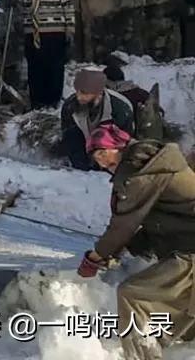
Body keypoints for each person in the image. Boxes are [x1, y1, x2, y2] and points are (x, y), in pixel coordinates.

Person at [78, 124, 195, 360]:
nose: (101, 163)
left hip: (190, 251)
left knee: (132, 294)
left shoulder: (141, 174)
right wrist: (126, 248)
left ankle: (141, 356)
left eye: (103, 152)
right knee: (182, 305)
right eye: (96, 157)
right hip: (186, 243)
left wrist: (95, 258)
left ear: (120, 147)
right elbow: (156, 221)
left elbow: (123, 224)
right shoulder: (152, 164)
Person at [9, 0, 76, 108]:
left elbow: (68, 5)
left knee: (55, 68)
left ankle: (53, 102)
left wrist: (70, 29)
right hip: (34, 33)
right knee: (36, 67)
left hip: (56, 32)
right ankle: (38, 102)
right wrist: (15, 3)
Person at [60, 68, 135, 170]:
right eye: (77, 91)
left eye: (84, 93)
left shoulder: (120, 108)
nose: (79, 97)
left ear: (98, 93)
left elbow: (125, 140)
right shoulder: (70, 106)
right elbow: (68, 137)